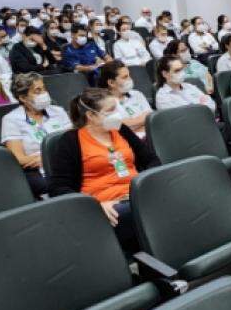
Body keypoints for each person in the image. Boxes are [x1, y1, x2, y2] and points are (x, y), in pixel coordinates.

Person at [47, 87, 159, 252]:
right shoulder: (70, 141)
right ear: (91, 115)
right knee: (142, 213)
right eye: (111, 110)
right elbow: (58, 188)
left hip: (137, 195)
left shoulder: (121, 130)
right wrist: (93, 205)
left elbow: (151, 160)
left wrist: (146, 186)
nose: (118, 114)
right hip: (105, 205)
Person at [0, 72, 71, 197]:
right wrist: (49, 159)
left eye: (44, 89)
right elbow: (19, 159)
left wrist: (50, 158)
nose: (44, 94)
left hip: (67, 161)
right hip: (37, 171)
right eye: (38, 91)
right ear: (23, 98)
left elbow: (73, 142)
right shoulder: (11, 119)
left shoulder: (58, 111)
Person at [99, 60, 152, 135]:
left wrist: (130, 123)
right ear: (111, 83)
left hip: (149, 135)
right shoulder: (104, 103)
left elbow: (150, 117)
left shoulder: (137, 94)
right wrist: (141, 121)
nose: (130, 79)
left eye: (129, 75)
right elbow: (118, 128)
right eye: (125, 77)